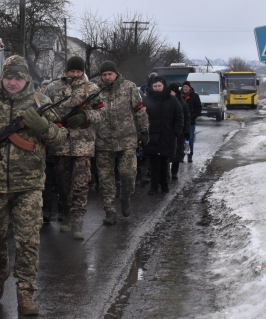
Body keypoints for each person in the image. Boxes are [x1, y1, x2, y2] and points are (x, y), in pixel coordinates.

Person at [0, 55, 67, 316]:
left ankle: (25, 292)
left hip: (29, 185)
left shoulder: (42, 102)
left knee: (28, 241)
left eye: (18, 77)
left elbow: (61, 137)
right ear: (2, 77)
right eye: (9, 77)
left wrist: (43, 127)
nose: (13, 82)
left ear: (26, 78)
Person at [43, 55, 104, 240]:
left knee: (80, 184)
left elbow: (102, 112)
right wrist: (56, 123)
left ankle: (78, 222)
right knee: (63, 185)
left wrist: (85, 117)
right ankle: (67, 216)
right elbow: (45, 110)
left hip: (83, 145)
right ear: (67, 70)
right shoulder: (54, 87)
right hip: (60, 144)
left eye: (79, 71)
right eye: (72, 71)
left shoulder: (91, 88)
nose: (75, 74)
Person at [94, 61, 149, 225]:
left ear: (116, 74)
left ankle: (125, 197)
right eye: (104, 75)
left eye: (110, 74)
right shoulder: (95, 90)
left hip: (126, 139)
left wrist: (144, 129)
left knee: (128, 174)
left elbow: (139, 109)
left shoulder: (129, 87)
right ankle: (109, 211)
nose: (107, 77)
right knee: (105, 179)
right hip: (103, 140)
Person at [142, 76, 183, 194]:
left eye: (159, 86)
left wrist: (176, 131)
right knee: (153, 162)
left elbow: (179, 116)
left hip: (167, 135)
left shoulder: (172, 100)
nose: (157, 88)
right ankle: (154, 187)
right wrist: (143, 132)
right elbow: (140, 116)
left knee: (164, 161)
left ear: (164, 86)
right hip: (151, 136)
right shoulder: (146, 100)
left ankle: (164, 185)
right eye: (155, 86)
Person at [168, 82, 191, 179]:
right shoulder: (166, 100)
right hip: (167, 131)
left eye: (172, 91)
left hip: (179, 132)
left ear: (176, 92)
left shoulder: (182, 102)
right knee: (166, 153)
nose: (170, 93)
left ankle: (174, 172)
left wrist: (186, 131)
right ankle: (166, 173)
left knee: (177, 153)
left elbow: (187, 118)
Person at [181, 82, 202, 163]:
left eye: (186, 86)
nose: (185, 88)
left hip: (190, 121)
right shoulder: (179, 96)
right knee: (181, 139)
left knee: (189, 138)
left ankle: (190, 155)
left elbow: (199, 108)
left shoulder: (195, 96)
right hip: (181, 121)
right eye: (184, 87)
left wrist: (193, 116)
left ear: (189, 87)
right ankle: (181, 155)